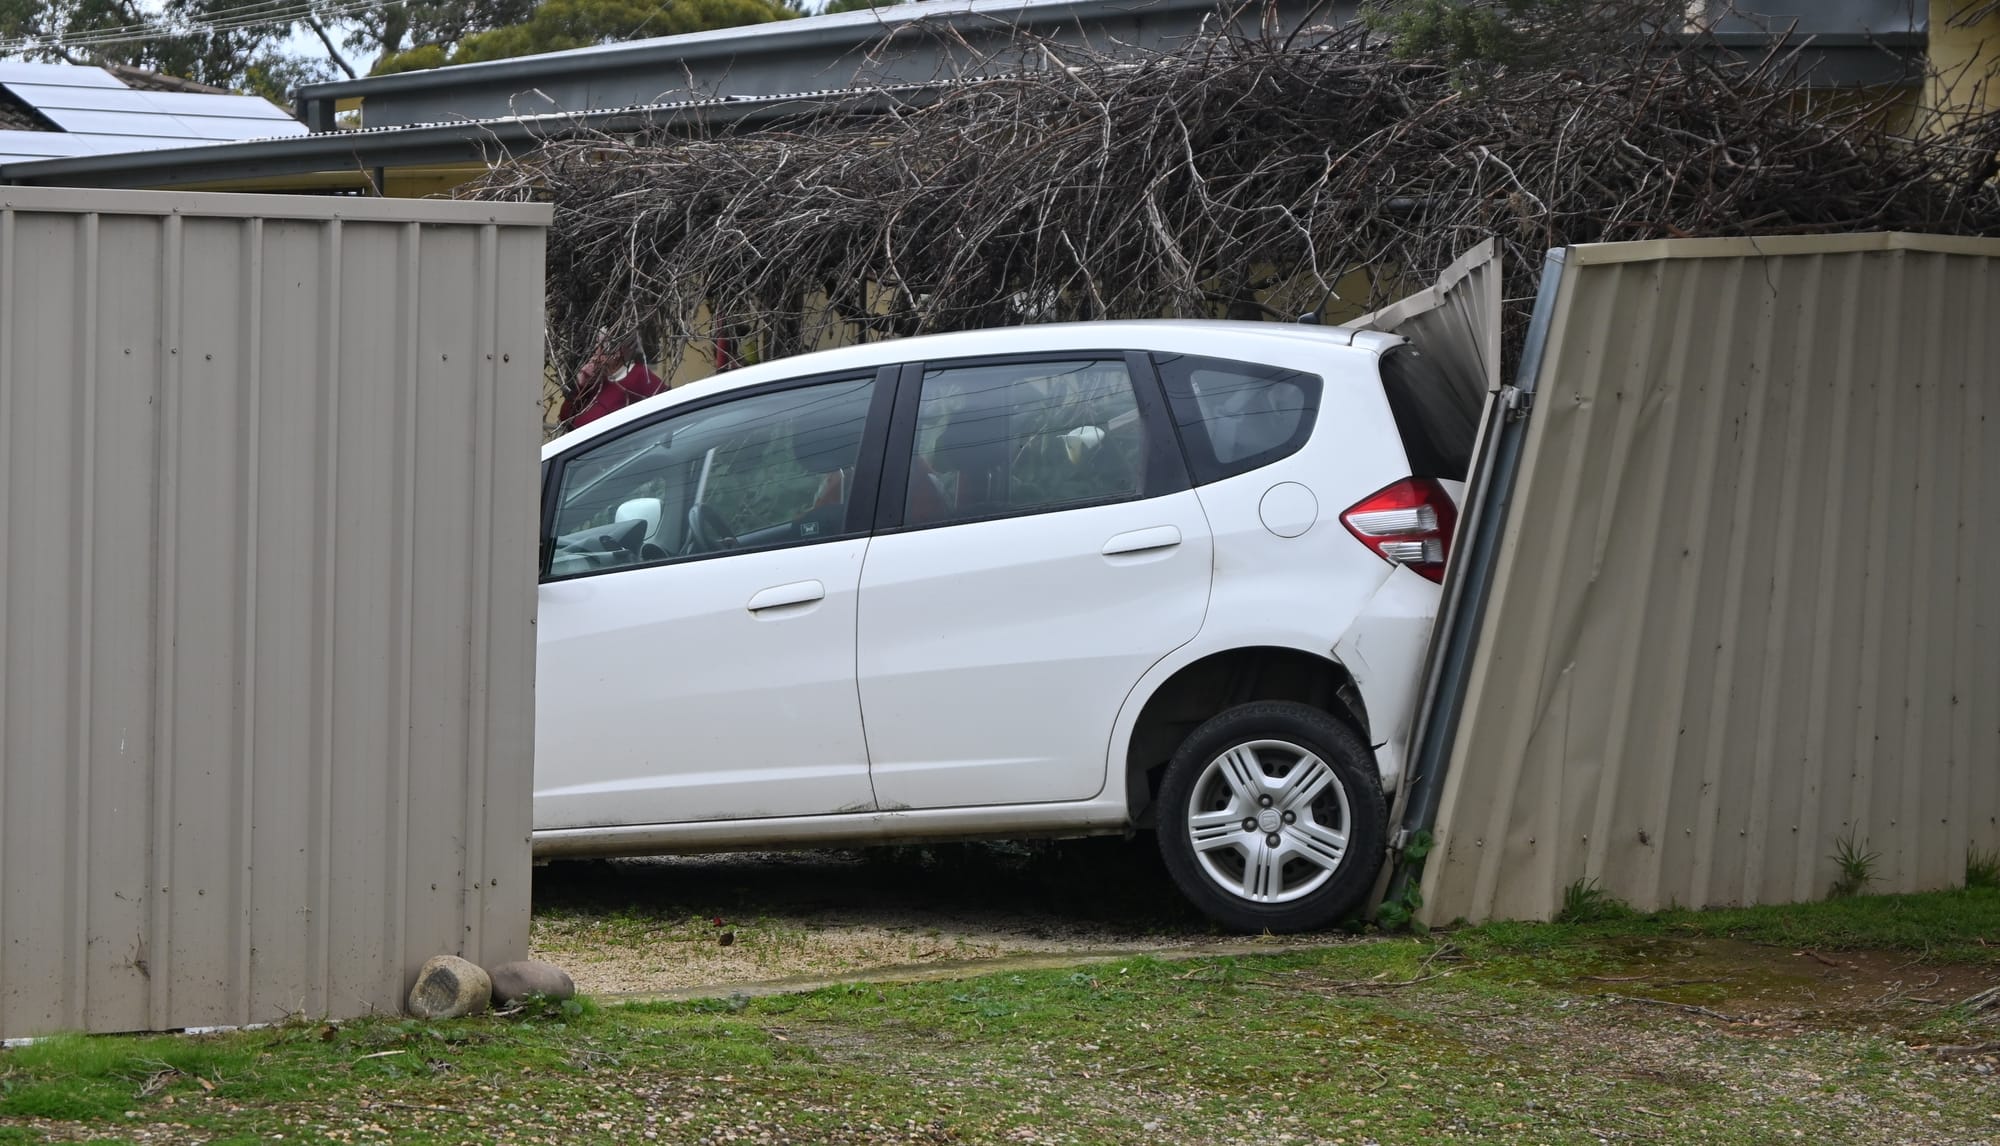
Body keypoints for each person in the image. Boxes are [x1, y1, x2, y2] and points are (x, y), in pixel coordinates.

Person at [560, 330, 666, 430]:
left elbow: (668, 415)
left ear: (617, 352)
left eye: (601, 346)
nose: (595, 351)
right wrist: (581, 386)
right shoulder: (597, 379)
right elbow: (565, 419)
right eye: (596, 344)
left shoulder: (640, 375)